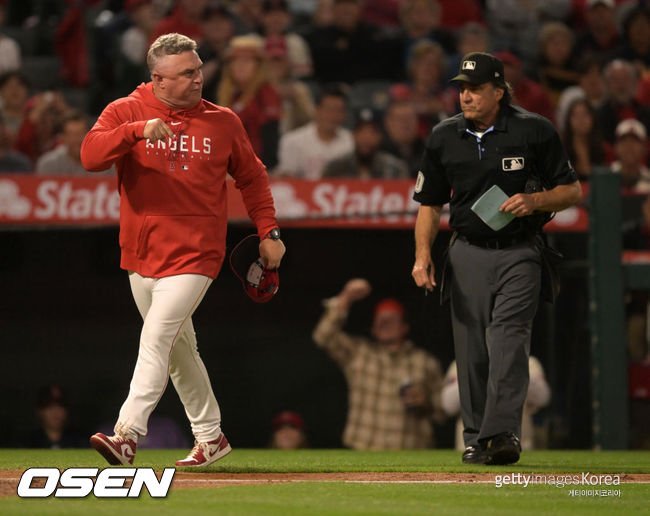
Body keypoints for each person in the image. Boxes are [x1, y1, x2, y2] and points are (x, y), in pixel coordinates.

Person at [80, 33, 286, 468]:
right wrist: (135, 133)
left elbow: (253, 176)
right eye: (187, 73)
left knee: (157, 338)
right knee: (177, 351)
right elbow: (90, 156)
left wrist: (269, 231)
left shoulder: (223, 121)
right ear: (158, 79)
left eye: (199, 69)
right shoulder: (126, 111)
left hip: (196, 252)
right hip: (140, 252)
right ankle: (211, 436)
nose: (199, 78)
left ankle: (127, 435)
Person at [412, 52, 581, 465]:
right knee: (471, 350)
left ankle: (501, 435)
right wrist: (422, 256)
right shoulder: (444, 136)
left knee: (509, 338)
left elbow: (572, 191)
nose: (465, 96)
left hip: (521, 252)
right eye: (462, 89)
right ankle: (476, 439)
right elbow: (430, 204)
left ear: (499, 91)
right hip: (467, 250)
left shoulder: (534, 130)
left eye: (474, 89)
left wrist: (535, 199)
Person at [312, 278, 445, 450]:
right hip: (363, 450)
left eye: (392, 319)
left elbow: (443, 411)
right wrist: (346, 298)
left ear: (405, 327)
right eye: (380, 320)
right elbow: (323, 336)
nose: (385, 323)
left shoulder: (426, 362)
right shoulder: (359, 353)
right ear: (373, 329)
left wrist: (425, 403)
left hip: (411, 452)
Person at [441, 357, 551, 451]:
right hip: (471, 448)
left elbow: (543, 398)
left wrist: (513, 369)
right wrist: (477, 374)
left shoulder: (528, 361)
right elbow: (448, 405)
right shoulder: (462, 362)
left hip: (521, 446)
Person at [216, 34, 282, 168]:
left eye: (247, 61)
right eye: (235, 61)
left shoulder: (266, 93)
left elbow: (270, 139)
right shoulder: (227, 94)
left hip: (256, 168)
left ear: (258, 66)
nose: (240, 66)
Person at [275, 84, 353, 179]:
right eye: (329, 110)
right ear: (317, 110)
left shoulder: (351, 142)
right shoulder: (292, 140)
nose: (333, 115)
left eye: (339, 111)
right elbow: (286, 177)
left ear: (345, 114)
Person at [322, 108, 409, 179]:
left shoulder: (395, 169)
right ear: (353, 135)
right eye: (361, 131)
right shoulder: (335, 169)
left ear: (380, 136)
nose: (366, 138)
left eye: (372, 132)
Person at [36, 111, 113, 176]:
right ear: (62, 138)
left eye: (81, 133)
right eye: (72, 135)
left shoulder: (108, 164)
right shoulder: (49, 164)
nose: (78, 140)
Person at [561, 98, 608, 181]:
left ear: (593, 118)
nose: (581, 119)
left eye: (585, 114)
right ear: (569, 120)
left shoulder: (604, 149)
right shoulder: (560, 151)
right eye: (576, 115)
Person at [380, 100, 426, 178]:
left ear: (417, 121)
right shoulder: (378, 154)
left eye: (409, 118)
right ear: (388, 123)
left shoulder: (429, 152)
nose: (405, 123)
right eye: (399, 119)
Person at [29, 384, 82, 449]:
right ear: (39, 411)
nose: (55, 411)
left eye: (61, 406)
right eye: (49, 406)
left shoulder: (80, 442)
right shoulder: (27, 443)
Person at [611, 119, 650, 192]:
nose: (629, 146)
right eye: (624, 140)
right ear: (616, 147)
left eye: (635, 141)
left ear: (644, 148)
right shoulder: (605, 178)